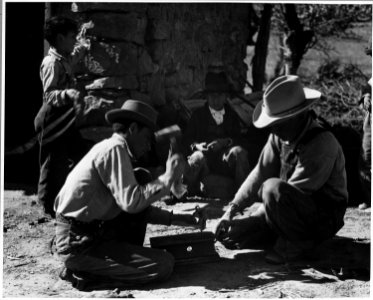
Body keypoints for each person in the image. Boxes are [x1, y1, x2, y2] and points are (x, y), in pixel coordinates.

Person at [54, 100, 205, 290]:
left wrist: (182, 219)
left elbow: (138, 210)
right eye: (147, 138)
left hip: (90, 234)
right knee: (163, 265)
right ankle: (85, 274)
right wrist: (167, 178)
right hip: (78, 244)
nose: (148, 147)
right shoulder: (114, 149)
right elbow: (132, 203)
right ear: (133, 128)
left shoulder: (116, 150)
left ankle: (99, 264)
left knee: (142, 176)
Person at [214, 75, 348, 264]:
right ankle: (282, 237)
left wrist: (255, 219)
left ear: (299, 115)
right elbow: (260, 173)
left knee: (272, 188)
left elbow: (284, 195)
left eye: (280, 123)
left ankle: (297, 246)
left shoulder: (322, 143)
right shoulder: (280, 136)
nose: (274, 129)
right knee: (235, 236)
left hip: (323, 217)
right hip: (289, 212)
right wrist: (232, 210)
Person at [34, 16, 91, 218]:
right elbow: (48, 94)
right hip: (51, 120)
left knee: (81, 153)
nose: (75, 40)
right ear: (59, 38)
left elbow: (74, 57)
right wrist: (68, 94)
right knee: (52, 163)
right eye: (71, 37)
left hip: (65, 120)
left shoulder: (64, 58)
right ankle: (47, 208)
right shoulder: (50, 63)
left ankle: (72, 194)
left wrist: (84, 46)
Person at [183, 71, 250, 197]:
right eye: (212, 95)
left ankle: (243, 196)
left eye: (219, 95)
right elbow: (187, 139)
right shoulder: (198, 115)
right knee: (197, 157)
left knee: (239, 152)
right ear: (206, 97)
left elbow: (240, 139)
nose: (215, 99)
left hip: (224, 162)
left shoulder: (232, 115)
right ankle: (183, 194)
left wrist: (225, 142)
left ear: (225, 97)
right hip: (205, 162)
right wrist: (197, 146)